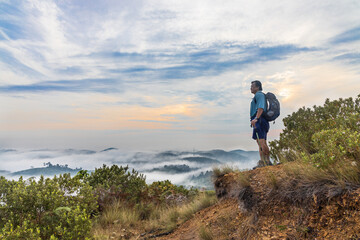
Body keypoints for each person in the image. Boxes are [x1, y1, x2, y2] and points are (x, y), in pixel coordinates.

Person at [250, 80, 272, 167]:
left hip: (260, 120)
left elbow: (261, 107)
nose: (250, 88)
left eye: (252, 86)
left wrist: (256, 118)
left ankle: (267, 162)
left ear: (257, 87)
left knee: (261, 141)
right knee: (260, 142)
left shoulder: (259, 95)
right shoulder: (258, 95)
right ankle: (263, 162)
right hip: (260, 120)